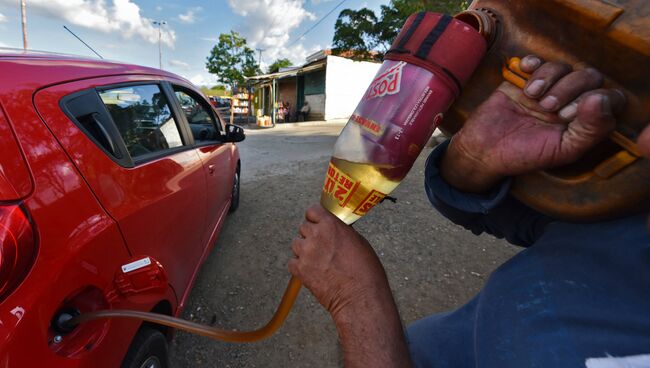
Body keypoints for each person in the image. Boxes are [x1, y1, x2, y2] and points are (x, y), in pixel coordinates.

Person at [288, 55, 650, 367]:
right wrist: (471, 162)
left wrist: (357, 302)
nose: (645, 140)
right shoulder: (631, 221)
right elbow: (509, 219)